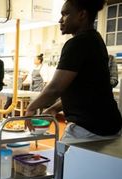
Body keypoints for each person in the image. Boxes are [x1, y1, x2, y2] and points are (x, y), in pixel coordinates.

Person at [25, 0, 122, 143]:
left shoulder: (77, 43)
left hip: (89, 129)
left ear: (82, 14)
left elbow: (55, 88)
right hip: (109, 126)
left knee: (63, 161)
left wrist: (31, 108)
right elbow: (85, 91)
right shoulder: (95, 39)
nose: (60, 20)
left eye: (65, 14)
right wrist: (53, 109)